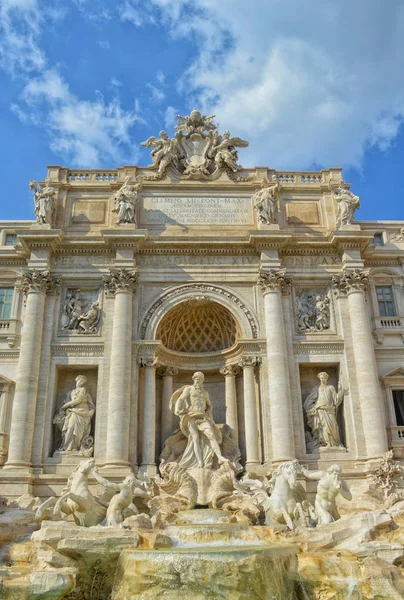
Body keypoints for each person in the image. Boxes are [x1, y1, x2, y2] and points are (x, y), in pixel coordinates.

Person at [169, 372, 229, 469]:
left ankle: (220, 457)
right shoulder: (189, 389)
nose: (198, 380)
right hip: (191, 416)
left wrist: (209, 412)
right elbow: (181, 399)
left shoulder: (205, 393)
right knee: (195, 439)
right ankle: (200, 462)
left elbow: (209, 405)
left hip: (202, 417)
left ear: (202, 380)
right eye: (196, 378)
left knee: (212, 436)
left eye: (200, 379)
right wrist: (177, 409)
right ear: (193, 379)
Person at [304, 372, 343, 447]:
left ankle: (334, 443)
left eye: (323, 378)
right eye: (321, 378)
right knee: (323, 427)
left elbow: (336, 400)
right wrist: (312, 408)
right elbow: (310, 400)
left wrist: (340, 391)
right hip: (320, 410)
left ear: (326, 378)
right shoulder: (316, 388)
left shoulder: (331, 387)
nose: (322, 379)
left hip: (330, 410)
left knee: (333, 427)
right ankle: (326, 443)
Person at [59, 375, 95, 452]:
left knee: (79, 431)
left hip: (83, 411)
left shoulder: (83, 390)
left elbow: (78, 400)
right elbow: (67, 400)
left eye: (83, 382)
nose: (81, 383)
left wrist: (66, 405)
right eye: (81, 381)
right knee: (70, 427)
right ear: (77, 380)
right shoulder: (71, 392)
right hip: (74, 411)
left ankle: (75, 447)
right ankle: (67, 447)